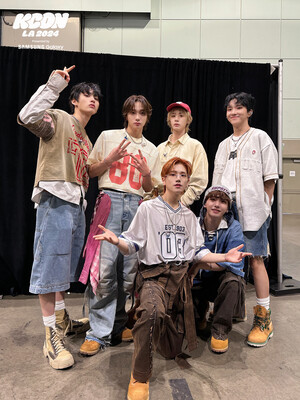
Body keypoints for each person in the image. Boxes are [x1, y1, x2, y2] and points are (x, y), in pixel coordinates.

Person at [93, 157, 251, 400]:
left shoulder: (189, 217)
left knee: (170, 350)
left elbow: (200, 253)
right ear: (164, 179)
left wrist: (226, 256)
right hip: (154, 277)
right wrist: (118, 242)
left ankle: (158, 331)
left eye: (183, 175)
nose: (178, 178)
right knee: (151, 312)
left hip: (181, 281)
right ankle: (139, 376)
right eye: (173, 174)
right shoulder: (148, 208)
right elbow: (133, 243)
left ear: (188, 182)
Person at [17, 66, 101, 369]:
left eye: (96, 97)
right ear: (74, 100)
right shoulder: (60, 118)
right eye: (86, 95)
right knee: (50, 264)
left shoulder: (86, 139)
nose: (92, 99)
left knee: (63, 266)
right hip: (55, 198)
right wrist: (55, 84)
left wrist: (108, 161)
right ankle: (49, 335)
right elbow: (27, 117)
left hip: (76, 202)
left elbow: (86, 171)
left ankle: (62, 319)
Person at [79, 95, 161, 356]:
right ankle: (98, 333)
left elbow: (150, 189)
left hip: (137, 204)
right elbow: (90, 171)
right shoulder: (108, 136)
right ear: (125, 114)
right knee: (103, 270)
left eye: (142, 113)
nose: (137, 117)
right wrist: (109, 160)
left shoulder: (152, 148)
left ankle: (116, 326)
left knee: (127, 274)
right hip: (110, 201)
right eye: (133, 112)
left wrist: (146, 174)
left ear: (147, 117)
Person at [212, 92, 279, 347]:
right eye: (229, 108)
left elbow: (270, 178)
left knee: (257, 260)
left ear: (249, 112)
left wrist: (264, 206)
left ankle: (264, 319)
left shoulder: (260, 137)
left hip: (253, 210)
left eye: (239, 108)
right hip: (228, 211)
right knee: (229, 260)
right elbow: (217, 181)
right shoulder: (223, 145)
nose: (233, 112)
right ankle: (231, 310)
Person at [189, 185, 246, 353]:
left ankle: (220, 330)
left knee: (233, 281)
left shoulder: (234, 227)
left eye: (223, 201)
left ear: (228, 207)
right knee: (189, 328)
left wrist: (199, 264)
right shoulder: (193, 224)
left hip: (219, 281)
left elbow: (233, 263)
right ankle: (200, 312)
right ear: (205, 203)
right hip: (196, 280)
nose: (217, 204)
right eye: (212, 199)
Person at [157, 101, 208, 206]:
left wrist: (182, 202)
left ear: (188, 120)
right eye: (173, 115)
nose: (176, 119)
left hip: (181, 204)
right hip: (159, 203)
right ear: (169, 120)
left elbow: (200, 181)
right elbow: (154, 180)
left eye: (181, 115)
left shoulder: (195, 146)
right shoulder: (160, 148)